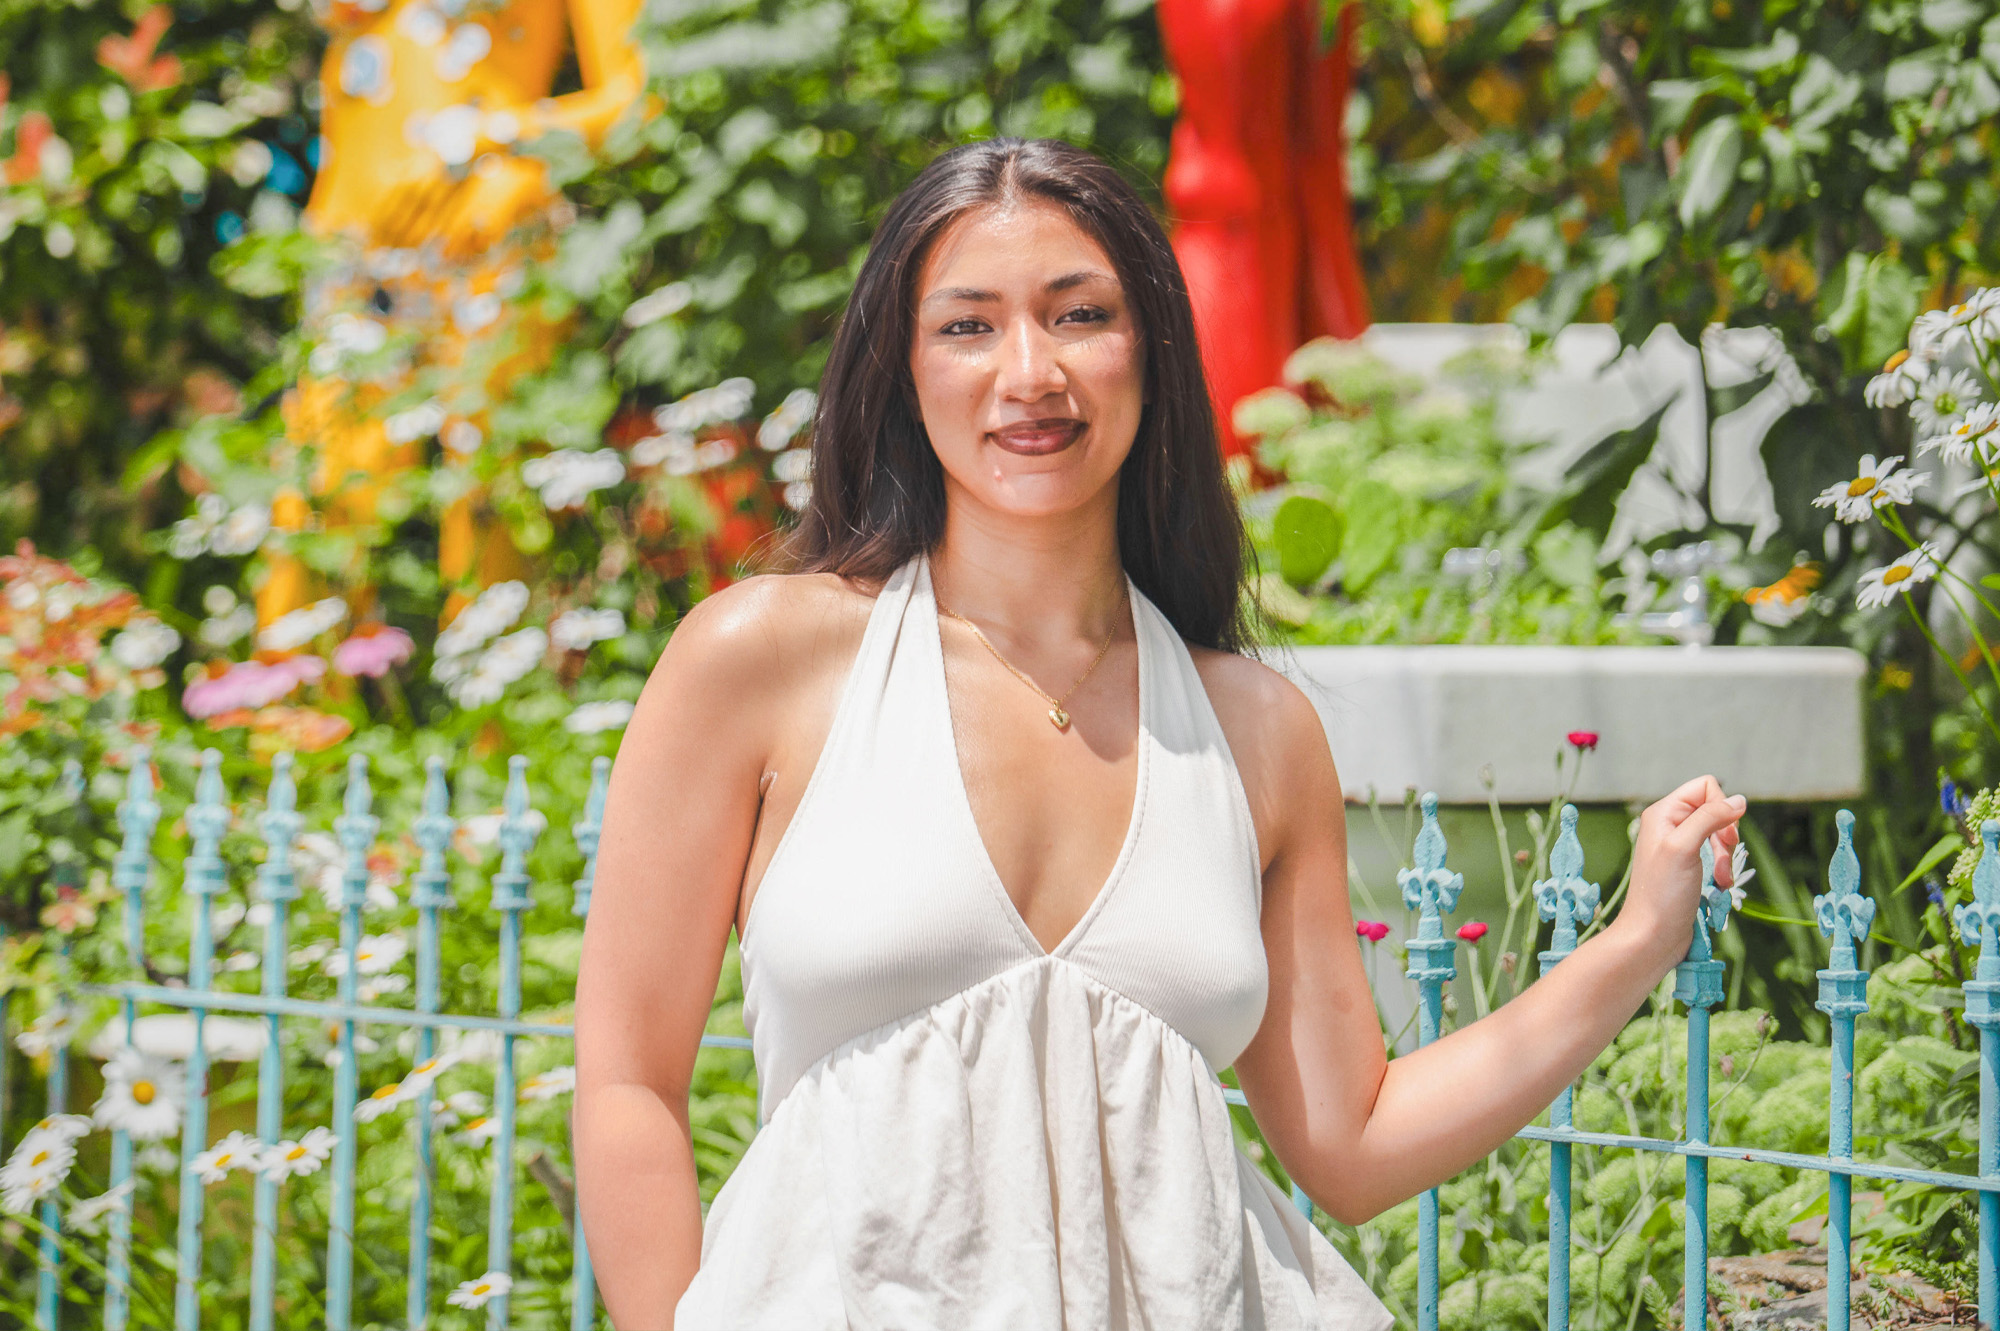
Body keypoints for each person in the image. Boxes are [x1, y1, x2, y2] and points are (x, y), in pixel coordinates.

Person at [572, 136, 1746, 1329]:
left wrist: (1636, 938)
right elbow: (627, 1083)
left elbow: (1351, 1139)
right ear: (899, 368)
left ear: (1151, 352)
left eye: (1078, 315)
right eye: (967, 326)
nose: (1029, 371)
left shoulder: (1255, 730)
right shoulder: (760, 659)